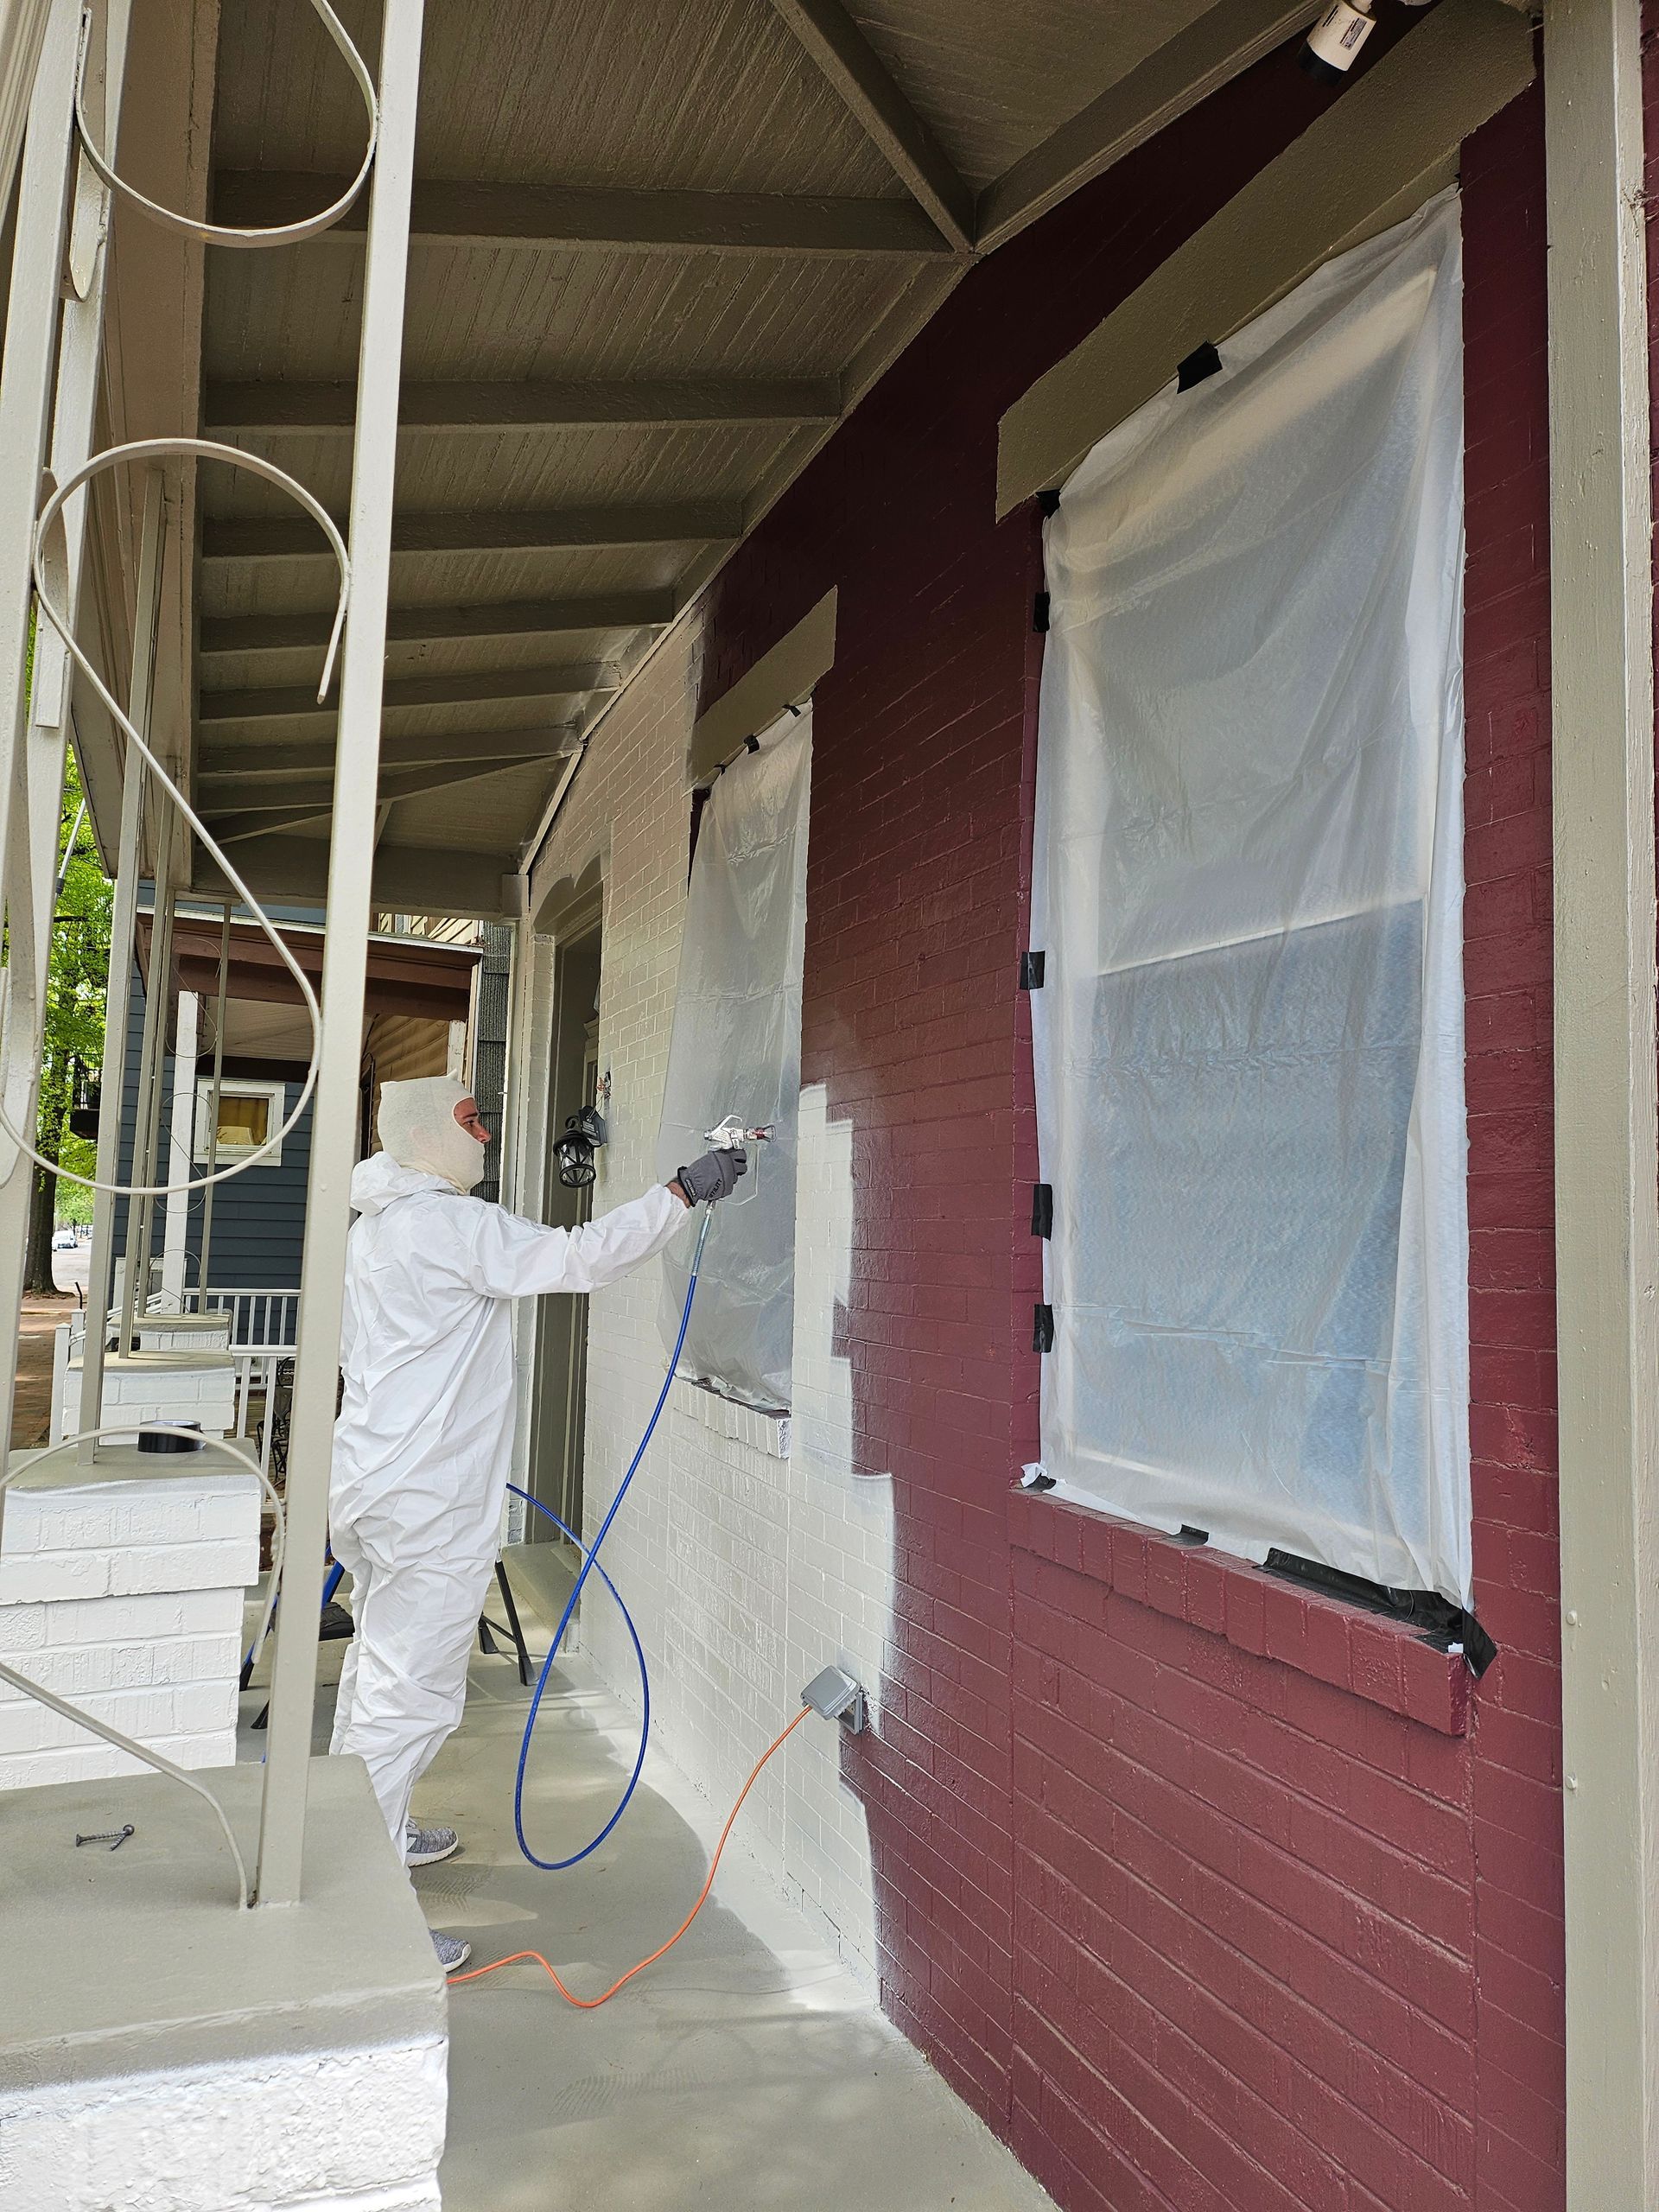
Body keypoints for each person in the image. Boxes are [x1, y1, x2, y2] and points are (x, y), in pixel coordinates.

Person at [327, 1073, 745, 1972]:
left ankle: (361, 1834)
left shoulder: (379, 1226)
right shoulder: (448, 1224)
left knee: (377, 1668)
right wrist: (681, 1190)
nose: (485, 1133)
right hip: (426, 1503)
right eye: (472, 1120)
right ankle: (361, 1923)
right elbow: (581, 1258)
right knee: (408, 1698)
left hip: (375, 1486)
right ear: (426, 1135)